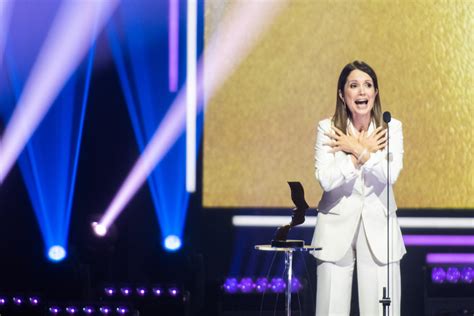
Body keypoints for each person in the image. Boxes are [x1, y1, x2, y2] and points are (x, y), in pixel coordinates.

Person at [310, 61, 406, 316]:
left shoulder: (390, 127)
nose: (362, 92)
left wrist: (356, 148)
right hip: (335, 229)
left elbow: (390, 175)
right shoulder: (328, 129)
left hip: (379, 229)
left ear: (375, 92)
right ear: (343, 94)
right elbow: (326, 180)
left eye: (368, 85)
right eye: (354, 86)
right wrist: (356, 155)